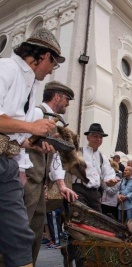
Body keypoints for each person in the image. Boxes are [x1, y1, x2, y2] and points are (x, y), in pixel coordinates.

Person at [0, 27, 64, 267]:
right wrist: (33, 128)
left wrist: (33, 146)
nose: (50, 72)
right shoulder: (5, 68)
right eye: (54, 64)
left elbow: (12, 135)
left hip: (7, 165)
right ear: (45, 56)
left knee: (20, 239)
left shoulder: (30, 84)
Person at [24, 81, 78, 262]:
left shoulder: (52, 120)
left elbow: (54, 158)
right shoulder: (37, 113)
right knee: (19, 231)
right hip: (28, 180)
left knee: (35, 231)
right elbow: (18, 141)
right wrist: (21, 175)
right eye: (67, 99)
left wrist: (61, 185)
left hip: (40, 184)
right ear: (57, 97)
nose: (68, 103)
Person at [72, 123, 117, 212]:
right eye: (95, 136)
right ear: (88, 138)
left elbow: (108, 173)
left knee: (97, 220)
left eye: (100, 137)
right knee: (80, 218)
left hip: (95, 193)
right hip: (79, 190)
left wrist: (110, 181)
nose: (98, 139)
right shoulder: (78, 152)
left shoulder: (102, 157)